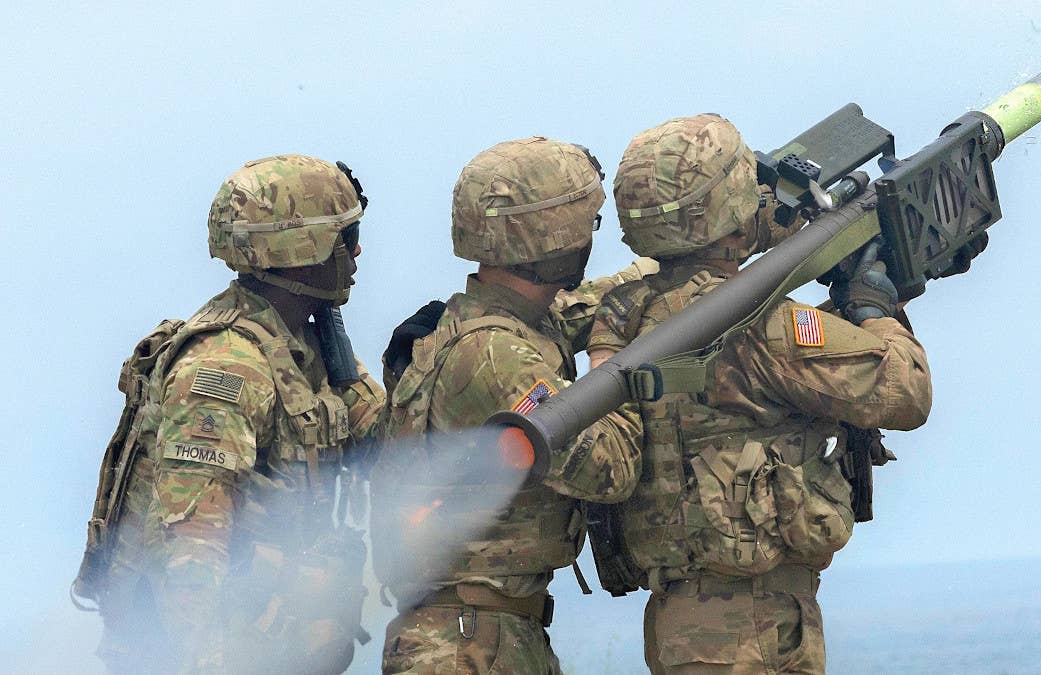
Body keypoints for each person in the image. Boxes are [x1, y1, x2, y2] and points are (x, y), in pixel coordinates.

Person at [586, 114, 934, 674]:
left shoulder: (626, 314)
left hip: (683, 617)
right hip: (753, 625)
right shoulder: (758, 325)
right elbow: (905, 390)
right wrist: (875, 308)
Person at [75, 154, 385, 674]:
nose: (356, 252)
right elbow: (188, 548)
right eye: (344, 236)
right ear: (301, 249)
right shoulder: (225, 366)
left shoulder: (307, 346)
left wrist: (419, 368)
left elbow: (387, 442)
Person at [369, 136, 653, 674]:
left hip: (483, 636)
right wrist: (613, 359)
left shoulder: (498, 324)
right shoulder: (496, 356)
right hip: (470, 648)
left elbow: (596, 302)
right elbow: (609, 469)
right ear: (556, 233)